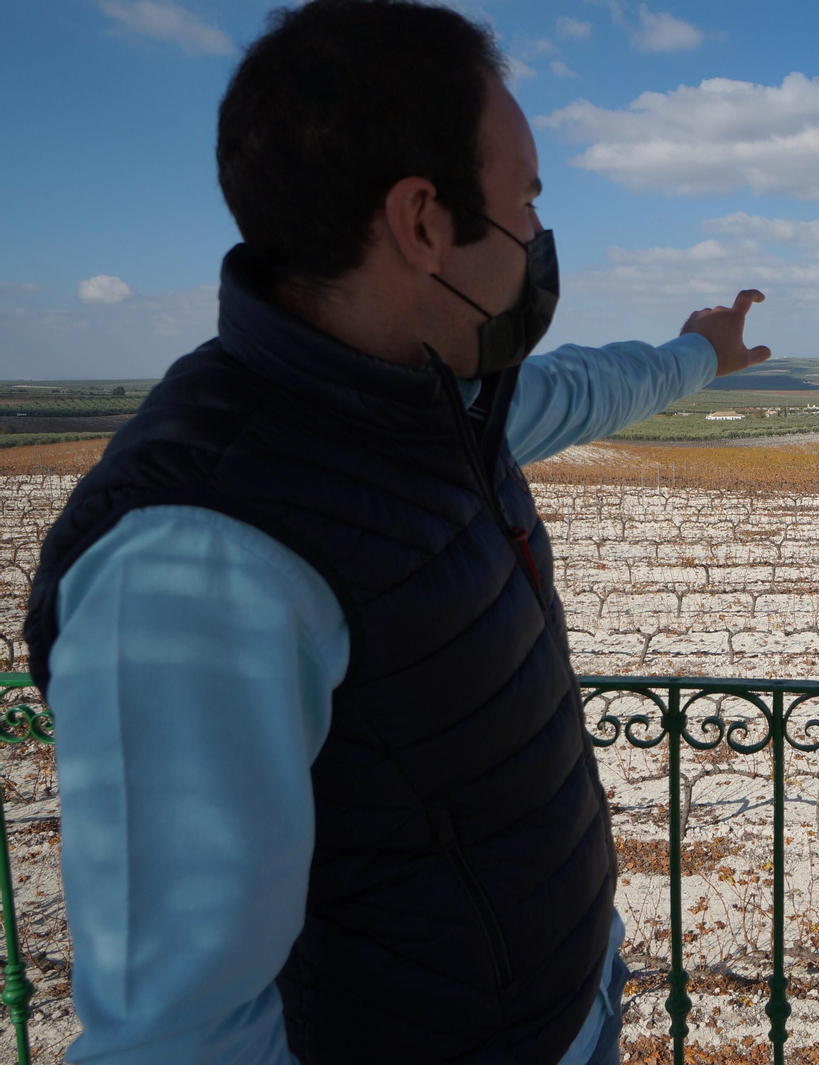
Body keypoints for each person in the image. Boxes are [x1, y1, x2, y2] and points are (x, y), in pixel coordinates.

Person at [22, 1, 769, 1062]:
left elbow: (584, 388)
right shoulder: (197, 552)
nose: (539, 243)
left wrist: (699, 355)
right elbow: (178, 1037)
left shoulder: (441, 406)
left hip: (564, 1010)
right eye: (526, 203)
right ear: (423, 222)